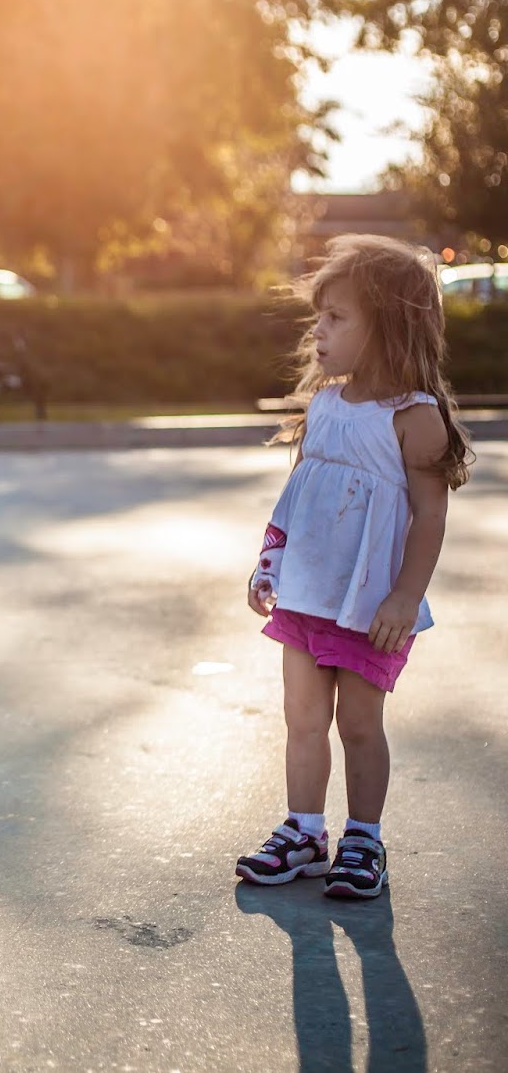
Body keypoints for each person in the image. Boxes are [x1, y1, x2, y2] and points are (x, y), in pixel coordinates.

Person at [236, 234, 472, 900]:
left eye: (337, 317)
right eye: (321, 316)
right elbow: (301, 495)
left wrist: (403, 598)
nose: (320, 330)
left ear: (389, 326)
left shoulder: (415, 419)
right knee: (301, 720)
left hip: (371, 608)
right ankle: (304, 833)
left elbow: (430, 518)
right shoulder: (326, 406)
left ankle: (363, 838)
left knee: (360, 725)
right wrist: (269, 561)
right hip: (306, 596)